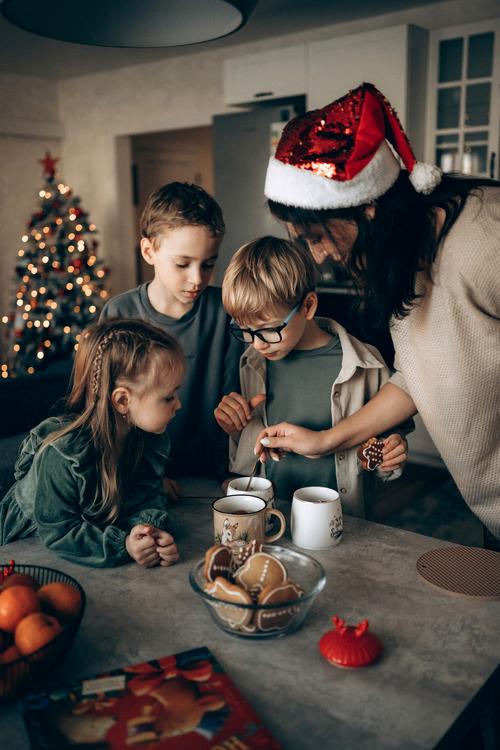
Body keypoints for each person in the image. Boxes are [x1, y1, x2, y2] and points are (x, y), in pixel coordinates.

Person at [256, 82, 500, 546]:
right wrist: (325, 441)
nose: (320, 256)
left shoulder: (486, 238)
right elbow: (417, 376)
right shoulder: (397, 258)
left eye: (316, 236)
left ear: (367, 210)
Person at [214, 236, 410, 517]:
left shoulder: (365, 365)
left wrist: (391, 453)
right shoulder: (252, 363)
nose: (257, 343)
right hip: (272, 514)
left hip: (342, 518)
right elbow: (251, 446)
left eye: (269, 329)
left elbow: (386, 439)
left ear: (308, 306)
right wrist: (235, 425)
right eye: (245, 330)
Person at [0, 319, 184, 568]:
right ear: (122, 401)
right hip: (20, 550)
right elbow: (60, 531)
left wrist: (146, 533)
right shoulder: (63, 455)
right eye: (168, 397)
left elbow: (147, 496)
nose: (178, 404)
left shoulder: (147, 439)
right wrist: (123, 545)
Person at [100, 182, 243, 487]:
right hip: (138, 479)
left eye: (208, 264)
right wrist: (143, 477)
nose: (197, 279)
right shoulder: (119, 313)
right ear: (149, 251)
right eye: (182, 264)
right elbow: (103, 411)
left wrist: (233, 469)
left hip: (213, 477)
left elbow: (235, 394)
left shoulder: (227, 311)